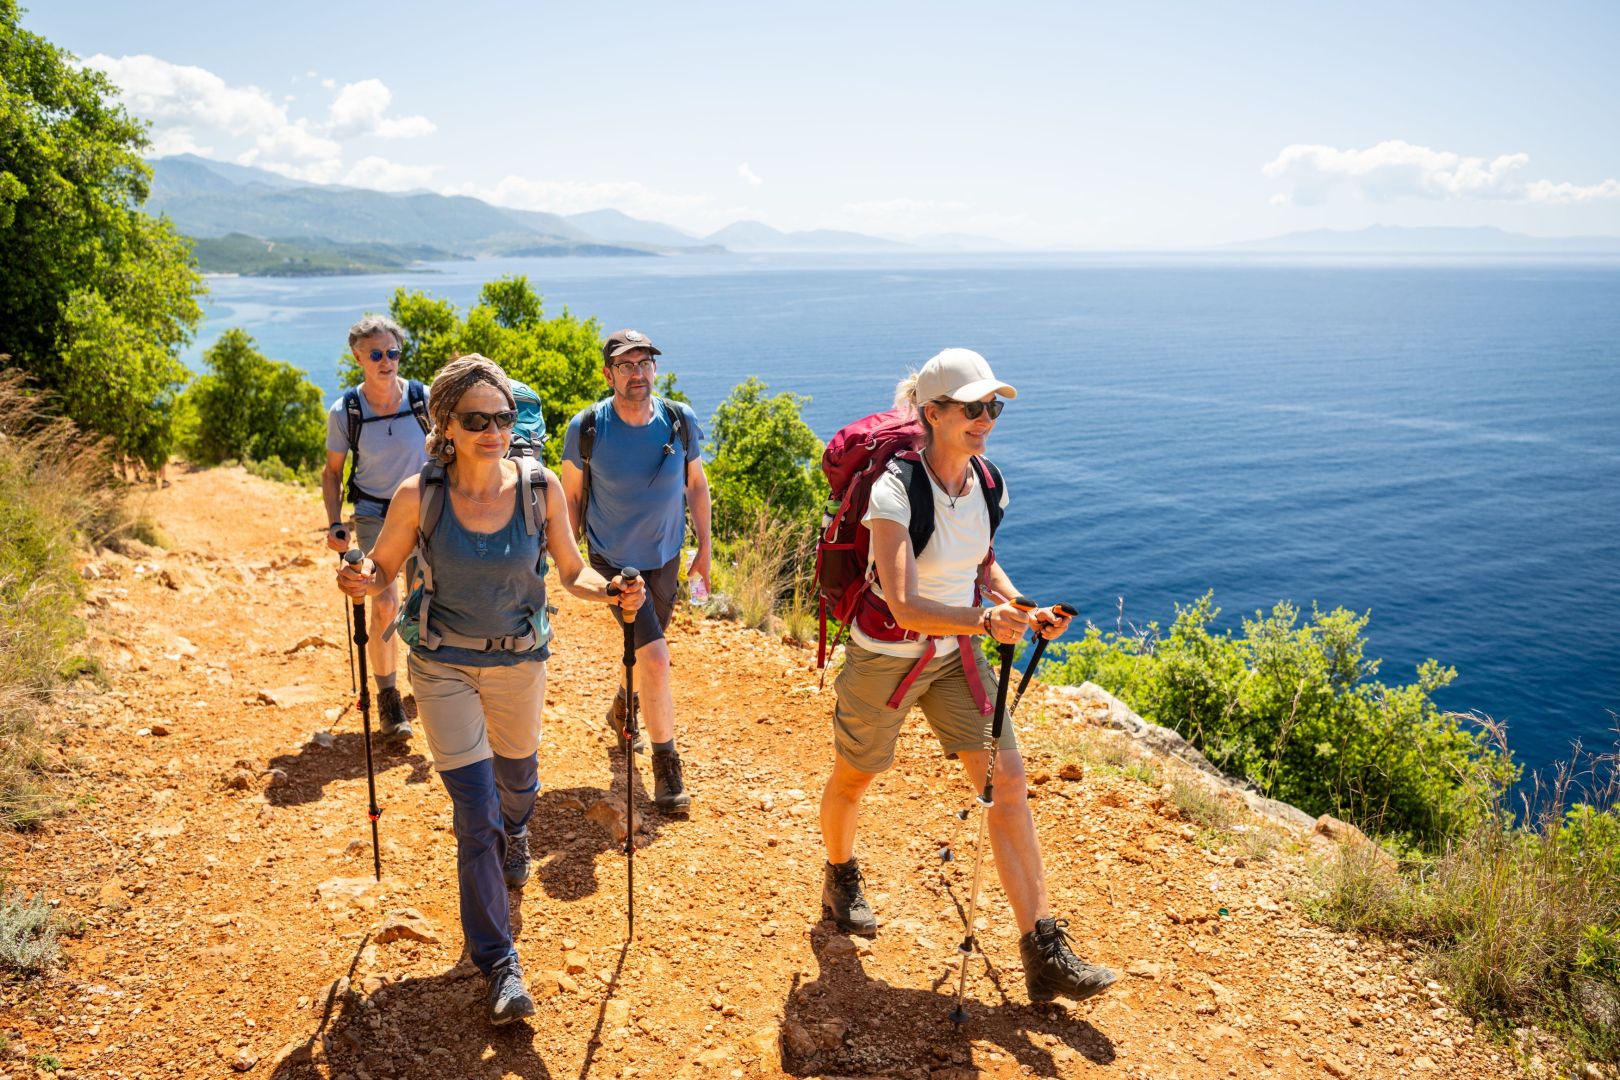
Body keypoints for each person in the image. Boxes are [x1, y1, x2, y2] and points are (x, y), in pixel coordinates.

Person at [337, 354, 644, 1026]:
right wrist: (359, 579)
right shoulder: (421, 494)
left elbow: (572, 572)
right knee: (474, 815)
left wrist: (612, 590)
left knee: (518, 788)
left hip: (518, 666)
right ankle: (500, 963)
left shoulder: (539, 491)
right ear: (444, 423)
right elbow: (382, 566)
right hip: (442, 668)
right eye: (478, 420)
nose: (495, 430)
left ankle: (518, 833)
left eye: (504, 417)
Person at [816, 347, 1118, 1006]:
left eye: (994, 406)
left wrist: (1021, 609)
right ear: (932, 413)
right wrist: (984, 620)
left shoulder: (988, 481)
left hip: (956, 657)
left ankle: (1044, 951)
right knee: (854, 778)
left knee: (1008, 781)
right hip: (887, 657)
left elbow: (981, 566)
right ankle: (839, 873)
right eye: (973, 407)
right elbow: (900, 600)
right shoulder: (895, 489)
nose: (987, 418)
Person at [559, 329, 711, 813]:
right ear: (609, 375)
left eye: (644, 363)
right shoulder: (586, 428)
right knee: (658, 658)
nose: (637, 373)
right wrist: (574, 565)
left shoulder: (677, 419)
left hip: (665, 557)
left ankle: (623, 708)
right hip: (614, 564)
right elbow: (571, 499)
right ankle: (667, 766)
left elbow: (696, 485)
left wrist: (703, 548)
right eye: (625, 365)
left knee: (644, 653)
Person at [322, 314, 430, 743]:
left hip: (425, 512)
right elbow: (333, 473)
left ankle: (426, 681)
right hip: (374, 516)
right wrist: (334, 522)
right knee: (383, 602)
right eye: (377, 354)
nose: (387, 361)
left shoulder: (423, 400)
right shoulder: (346, 411)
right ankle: (388, 697)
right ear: (358, 357)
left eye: (393, 352)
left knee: (426, 605)